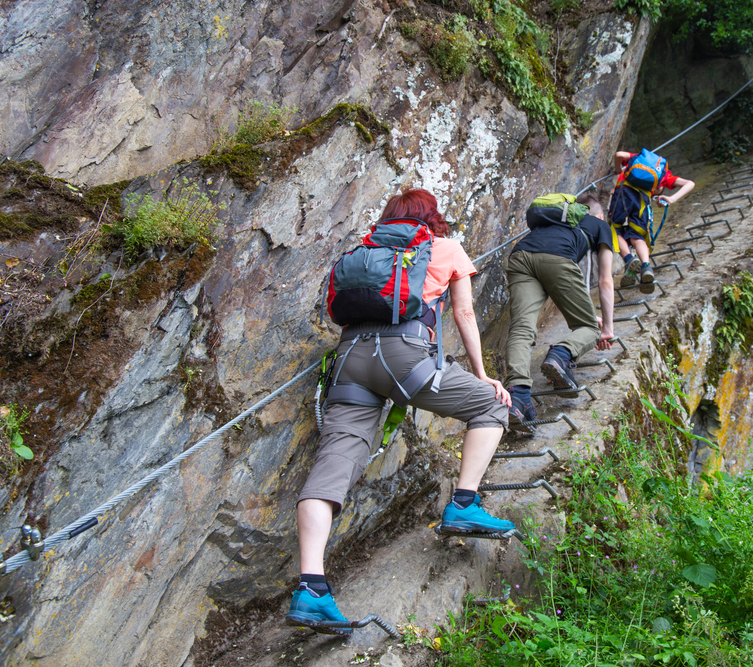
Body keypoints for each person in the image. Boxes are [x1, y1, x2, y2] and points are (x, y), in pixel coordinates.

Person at [287, 188, 513, 635]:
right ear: (431, 218)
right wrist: (484, 374)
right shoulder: (443, 247)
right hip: (404, 355)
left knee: (332, 468)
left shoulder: (364, 251)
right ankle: (464, 502)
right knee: (490, 405)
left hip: (350, 359)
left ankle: (311, 587)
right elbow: (464, 312)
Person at [504, 192, 617, 424]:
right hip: (557, 258)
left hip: (520, 255)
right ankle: (560, 355)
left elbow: (551, 279)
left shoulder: (554, 221)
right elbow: (605, 280)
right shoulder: (600, 225)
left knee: (521, 328)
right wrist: (606, 327)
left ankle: (519, 398)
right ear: (599, 214)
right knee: (589, 328)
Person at [608, 151, 695, 293]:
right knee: (637, 236)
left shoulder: (637, 158)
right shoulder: (665, 175)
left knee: (614, 229)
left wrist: (618, 169)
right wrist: (672, 199)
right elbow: (690, 183)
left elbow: (619, 154)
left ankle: (629, 259)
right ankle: (646, 266)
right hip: (642, 201)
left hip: (623, 192)